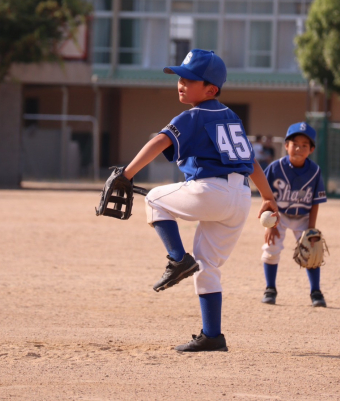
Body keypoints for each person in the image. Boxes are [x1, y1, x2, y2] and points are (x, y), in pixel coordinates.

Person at [122, 49, 278, 352]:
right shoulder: (231, 117)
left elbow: (159, 141)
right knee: (207, 266)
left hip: (212, 192)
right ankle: (212, 336)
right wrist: (268, 197)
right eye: (180, 77)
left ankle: (178, 259)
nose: (181, 82)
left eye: (190, 79)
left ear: (211, 90)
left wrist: (127, 174)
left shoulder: (194, 114)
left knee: (155, 200)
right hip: (241, 197)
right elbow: (251, 162)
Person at [260, 122, 327, 308]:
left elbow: (315, 203)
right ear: (286, 145)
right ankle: (270, 289)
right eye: (294, 143)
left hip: (304, 216)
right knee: (271, 248)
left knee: (312, 250)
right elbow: (266, 196)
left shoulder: (315, 171)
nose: (298, 148)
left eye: (304, 145)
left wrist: (311, 229)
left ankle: (316, 291)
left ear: (311, 149)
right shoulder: (275, 168)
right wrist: (271, 225)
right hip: (278, 214)